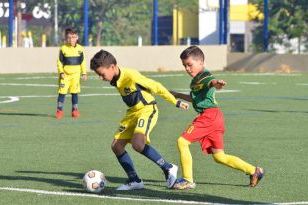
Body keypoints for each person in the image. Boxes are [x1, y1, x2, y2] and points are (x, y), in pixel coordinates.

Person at [90, 49, 189, 190]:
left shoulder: (131, 75)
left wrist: (176, 102)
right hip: (132, 113)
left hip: (147, 109)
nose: (101, 78)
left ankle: (168, 168)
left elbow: (156, 86)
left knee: (138, 143)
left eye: (101, 74)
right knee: (116, 146)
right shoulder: (114, 79)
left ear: (112, 67)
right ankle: (135, 180)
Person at [170, 46, 264, 190]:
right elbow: (195, 98)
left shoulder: (205, 75)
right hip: (215, 117)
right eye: (185, 66)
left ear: (201, 61)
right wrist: (177, 95)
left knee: (182, 141)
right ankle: (254, 170)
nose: (187, 69)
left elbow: (212, 82)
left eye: (190, 65)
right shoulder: (195, 80)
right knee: (219, 156)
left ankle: (188, 179)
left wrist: (217, 84)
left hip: (209, 117)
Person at [56, 28, 87, 119]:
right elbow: (59, 62)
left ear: (77, 38)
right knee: (62, 93)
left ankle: (75, 110)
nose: (71, 39)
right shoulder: (63, 48)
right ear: (66, 38)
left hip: (76, 75)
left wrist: (84, 73)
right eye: (69, 37)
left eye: (73, 37)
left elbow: (82, 62)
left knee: (75, 93)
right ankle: (59, 110)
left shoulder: (80, 49)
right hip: (65, 75)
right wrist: (61, 72)